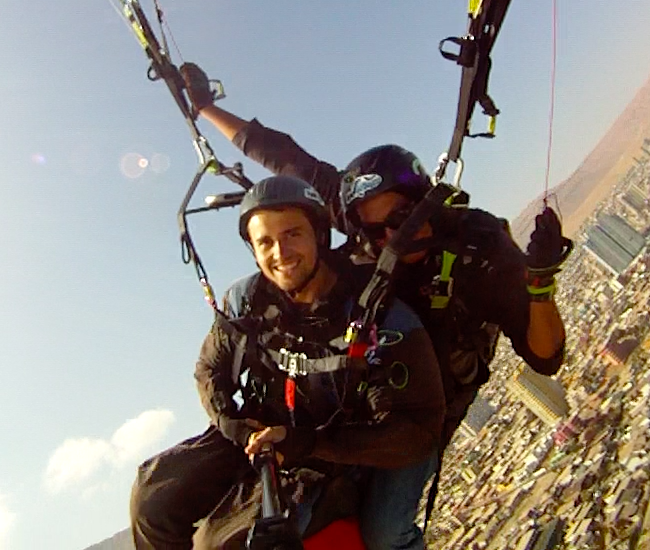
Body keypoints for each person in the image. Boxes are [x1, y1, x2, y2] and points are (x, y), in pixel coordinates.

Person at [179, 63, 571, 545]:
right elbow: (283, 157)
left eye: (403, 219)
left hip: (422, 408)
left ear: (426, 202)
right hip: (359, 384)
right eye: (374, 231)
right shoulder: (361, 225)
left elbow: (546, 356)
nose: (392, 238)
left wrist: (539, 285)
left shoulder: (478, 249)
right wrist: (205, 107)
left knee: (384, 533)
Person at [130, 175, 445, 550]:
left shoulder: (376, 314)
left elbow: (415, 432)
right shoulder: (247, 301)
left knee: (228, 543)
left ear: (319, 235)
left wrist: (306, 444)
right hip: (263, 431)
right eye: (265, 242)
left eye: (292, 234)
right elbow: (209, 369)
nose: (280, 252)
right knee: (152, 496)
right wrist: (234, 425)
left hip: (334, 447)